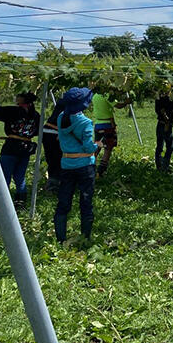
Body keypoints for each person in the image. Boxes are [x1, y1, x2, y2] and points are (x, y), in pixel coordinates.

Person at [54, 87, 99, 243]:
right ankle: (85, 238)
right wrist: (97, 145)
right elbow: (88, 146)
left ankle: (60, 239)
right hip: (85, 165)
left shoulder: (61, 117)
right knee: (86, 200)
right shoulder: (85, 122)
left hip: (67, 164)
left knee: (64, 201)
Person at [0, 91, 41, 209]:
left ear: (22, 99)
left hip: (11, 148)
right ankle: (20, 203)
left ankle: (2, 204)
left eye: (18, 96)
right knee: (20, 176)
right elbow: (38, 131)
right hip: (26, 148)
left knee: (4, 176)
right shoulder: (36, 115)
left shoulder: (13, 111)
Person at [90, 91, 128, 176]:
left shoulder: (95, 95)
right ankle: (101, 172)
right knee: (108, 148)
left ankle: (90, 167)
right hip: (107, 125)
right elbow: (118, 105)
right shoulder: (107, 95)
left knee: (97, 147)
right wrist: (126, 102)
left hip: (98, 124)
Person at [41, 98, 65, 193]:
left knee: (52, 159)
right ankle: (54, 186)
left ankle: (53, 183)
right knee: (57, 159)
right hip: (55, 133)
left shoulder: (63, 101)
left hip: (48, 131)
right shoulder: (72, 105)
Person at [154, 90, 173, 172]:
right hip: (166, 124)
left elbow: (158, 110)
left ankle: (159, 165)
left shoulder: (158, 99)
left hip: (160, 124)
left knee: (160, 146)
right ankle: (164, 165)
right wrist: (167, 121)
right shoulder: (169, 100)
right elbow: (164, 112)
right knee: (170, 147)